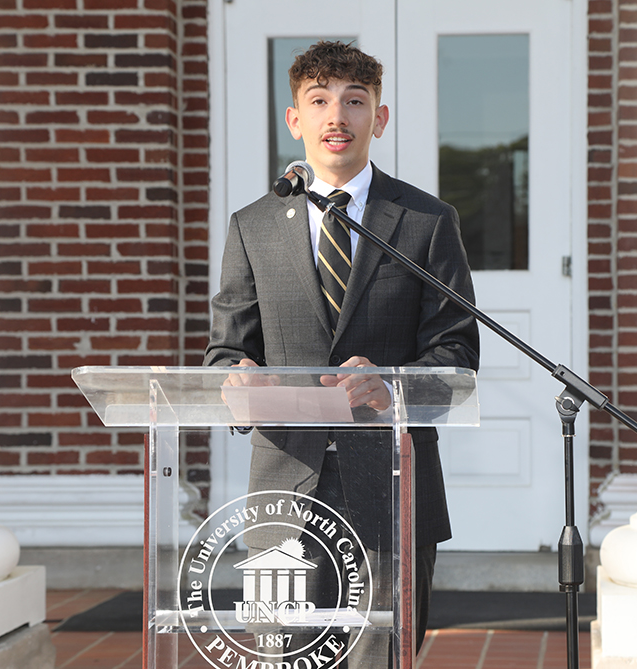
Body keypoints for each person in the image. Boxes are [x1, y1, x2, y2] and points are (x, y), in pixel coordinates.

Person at [204, 40, 479, 663]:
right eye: (319, 100)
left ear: (379, 119)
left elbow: (457, 351)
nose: (337, 116)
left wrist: (393, 383)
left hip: (392, 482)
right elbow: (225, 352)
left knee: (382, 654)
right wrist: (237, 380)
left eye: (355, 101)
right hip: (284, 485)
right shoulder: (252, 226)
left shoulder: (426, 221)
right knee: (283, 653)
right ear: (294, 119)